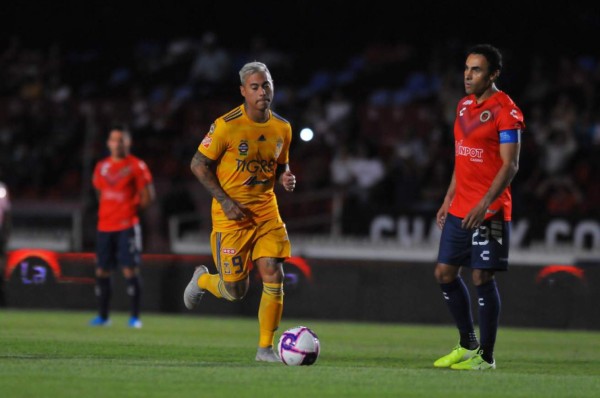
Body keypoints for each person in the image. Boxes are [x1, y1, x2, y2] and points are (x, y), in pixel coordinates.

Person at [183, 61, 296, 362]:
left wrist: (285, 176)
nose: (262, 92)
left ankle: (265, 350)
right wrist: (224, 200)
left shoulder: (283, 127)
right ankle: (204, 280)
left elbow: (280, 163)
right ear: (243, 91)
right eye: (256, 87)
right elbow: (198, 164)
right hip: (231, 217)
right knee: (235, 290)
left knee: (274, 272)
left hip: (266, 213)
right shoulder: (226, 125)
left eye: (267, 85)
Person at [433, 44, 525, 370]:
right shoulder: (462, 107)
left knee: (481, 277)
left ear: (494, 74)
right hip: (461, 207)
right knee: (444, 273)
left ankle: (486, 357)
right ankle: (466, 343)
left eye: (477, 70)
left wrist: (485, 203)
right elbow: (462, 156)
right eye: (467, 69)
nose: (468, 76)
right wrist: (448, 199)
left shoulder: (507, 111)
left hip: (492, 209)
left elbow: (510, 165)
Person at [90, 127, 155, 328]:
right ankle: (103, 316)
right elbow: (99, 192)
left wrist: (130, 212)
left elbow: (148, 197)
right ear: (108, 143)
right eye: (113, 140)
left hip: (126, 226)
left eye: (121, 140)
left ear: (128, 143)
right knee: (102, 270)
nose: (117, 143)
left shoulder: (137, 166)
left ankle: (135, 317)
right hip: (105, 226)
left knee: (129, 270)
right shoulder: (101, 167)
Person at [0, 181, 11, 306]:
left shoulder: (1, 189)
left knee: (1, 267)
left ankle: (2, 299)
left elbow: (7, 213)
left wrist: (5, 234)